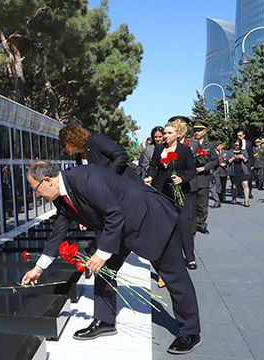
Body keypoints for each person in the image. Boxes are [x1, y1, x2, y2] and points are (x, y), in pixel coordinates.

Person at [21, 161, 201, 355]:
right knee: (105, 273)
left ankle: (190, 332)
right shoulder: (61, 197)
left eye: (35, 190)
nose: (37, 195)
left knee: (174, 276)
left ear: (47, 181)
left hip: (149, 220)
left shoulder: (86, 178)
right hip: (118, 229)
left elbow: (114, 213)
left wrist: (101, 254)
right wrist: (38, 268)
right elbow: (58, 231)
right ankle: (104, 320)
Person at [144, 120, 197, 270]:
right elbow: (153, 167)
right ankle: (168, 256)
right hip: (162, 191)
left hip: (181, 191)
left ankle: (190, 257)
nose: (165, 136)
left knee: (184, 222)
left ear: (178, 135)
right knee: (165, 224)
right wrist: (150, 177)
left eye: (169, 133)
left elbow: (191, 170)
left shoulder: (185, 150)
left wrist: (182, 179)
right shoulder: (158, 149)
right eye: (165, 133)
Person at [58, 124, 142, 183]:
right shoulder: (79, 159)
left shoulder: (96, 140)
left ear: (73, 140)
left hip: (128, 187)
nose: (63, 149)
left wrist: (107, 174)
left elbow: (122, 156)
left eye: (64, 145)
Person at [189, 121, 218, 234]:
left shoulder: (210, 145)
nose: (196, 132)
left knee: (202, 204)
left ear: (204, 132)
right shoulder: (189, 143)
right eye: (195, 130)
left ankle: (201, 224)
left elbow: (215, 161)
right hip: (191, 178)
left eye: (199, 130)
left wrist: (204, 168)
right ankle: (192, 225)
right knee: (192, 204)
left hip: (203, 178)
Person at [227, 139, 251, 207]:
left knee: (245, 184)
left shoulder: (243, 151)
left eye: (238, 145)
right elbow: (228, 161)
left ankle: (246, 201)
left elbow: (247, 161)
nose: (237, 146)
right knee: (234, 186)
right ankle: (234, 198)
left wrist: (243, 157)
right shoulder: (230, 152)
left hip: (243, 171)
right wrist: (234, 158)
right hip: (234, 171)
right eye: (236, 145)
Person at [236, 130, 254, 198]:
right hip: (239, 162)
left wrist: (252, 164)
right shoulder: (235, 143)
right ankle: (240, 192)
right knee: (240, 178)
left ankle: (249, 192)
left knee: (249, 178)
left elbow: (251, 154)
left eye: (240, 135)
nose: (239, 137)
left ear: (244, 135)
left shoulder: (248, 143)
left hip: (247, 163)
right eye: (238, 135)